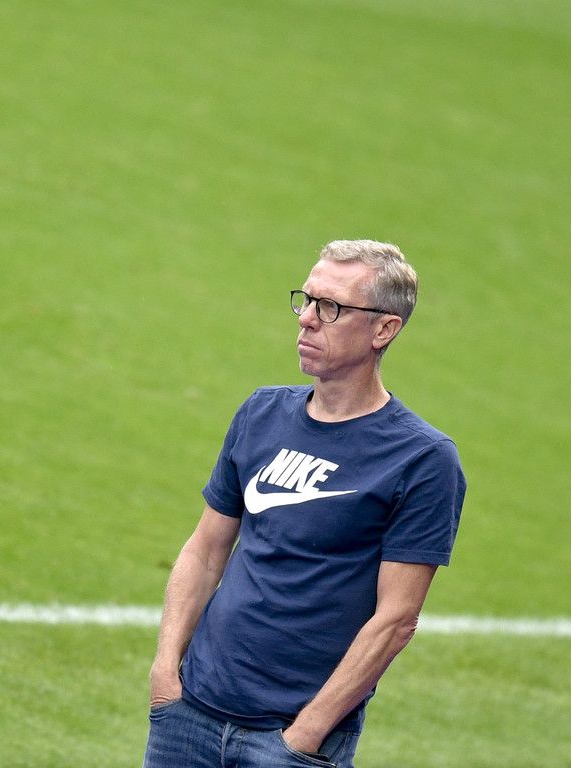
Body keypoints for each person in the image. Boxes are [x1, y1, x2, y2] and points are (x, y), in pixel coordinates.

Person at [143, 240, 466, 768]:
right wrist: (164, 673)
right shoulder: (261, 412)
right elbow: (205, 550)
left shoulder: (423, 459)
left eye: (331, 307)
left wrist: (306, 734)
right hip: (188, 716)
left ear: (384, 329)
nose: (308, 319)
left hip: (290, 740)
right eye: (307, 300)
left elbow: (396, 619)